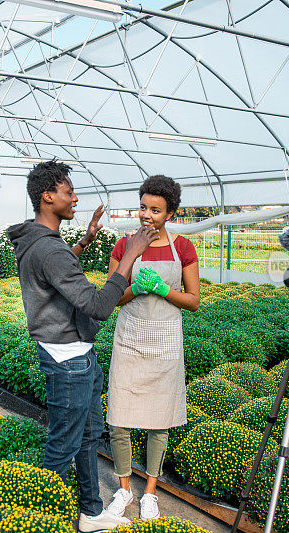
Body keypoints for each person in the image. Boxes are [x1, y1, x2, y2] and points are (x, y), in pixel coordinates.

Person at [8, 160, 158, 533]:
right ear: (48, 197)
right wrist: (130, 255)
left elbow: (56, 269)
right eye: (69, 192)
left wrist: (86, 240)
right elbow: (97, 306)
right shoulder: (48, 249)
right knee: (63, 446)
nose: (75, 199)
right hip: (68, 361)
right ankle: (35, 520)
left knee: (89, 436)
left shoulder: (41, 241)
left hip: (77, 355)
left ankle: (90, 512)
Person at [104, 175, 200, 520]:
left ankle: (150, 493)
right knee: (119, 417)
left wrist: (160, 289)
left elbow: (192, 301)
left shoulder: (183, 248)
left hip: (165, 340)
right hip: (130, 338)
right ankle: (124, 489)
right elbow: (113, 298)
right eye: (143, 207)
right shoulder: (123, 245)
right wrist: (136, 289)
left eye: (155, 210)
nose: (146, 214)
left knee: (160, 420)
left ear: (170, 213)